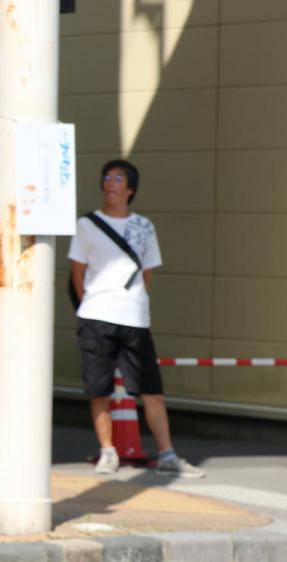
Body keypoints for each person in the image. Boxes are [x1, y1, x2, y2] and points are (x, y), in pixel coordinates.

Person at [69, 159, 204, 478]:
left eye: (119, 178)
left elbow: (148, 271)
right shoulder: (87, 225)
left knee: (151, 390)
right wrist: (89, 300)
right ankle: (108, 452)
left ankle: (167, 454)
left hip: (135, 317)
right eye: (107, 177)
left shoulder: (145, 226)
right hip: (96, 315)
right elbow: (78, 269)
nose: (111, 183)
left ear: (130, 189)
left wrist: (136, 300)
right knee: (98, 389)